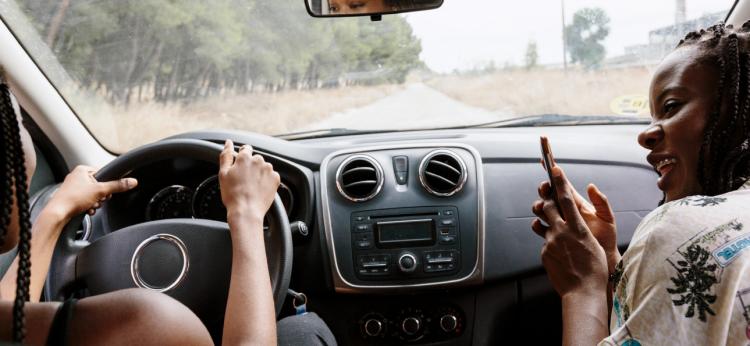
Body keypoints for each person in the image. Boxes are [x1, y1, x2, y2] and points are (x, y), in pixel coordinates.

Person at [0, 75, 298, 344]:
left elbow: (11, 313)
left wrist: (57, 211)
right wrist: (246, 213)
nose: (27, 137)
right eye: (21, 123)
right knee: (303, 329)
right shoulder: (144, 324)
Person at [531, 22, 750, 345]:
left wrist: (583, 288)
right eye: (651, 116)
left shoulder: (680, 230)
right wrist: (609, 260)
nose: (645, 135)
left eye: (671, 106)